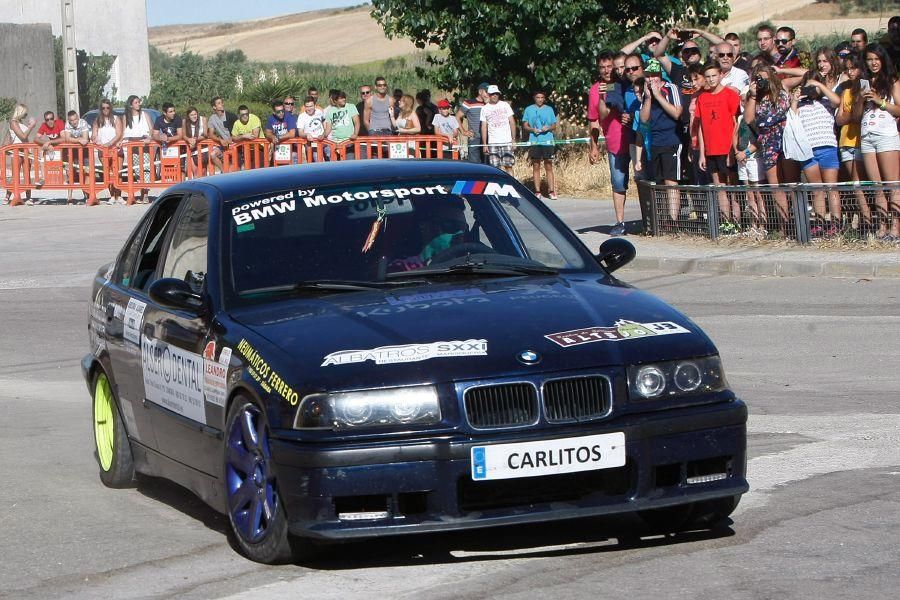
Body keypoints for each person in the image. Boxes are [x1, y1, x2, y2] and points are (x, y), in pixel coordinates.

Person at [791, 71, 842, 236]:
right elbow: (792, 117)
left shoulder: (827, 101)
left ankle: (836, 223)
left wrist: (820, 85)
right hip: (808, 151)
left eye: (815, 85)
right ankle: (819, 223)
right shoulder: (801, 105)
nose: (812, 89)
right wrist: (795, 99)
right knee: (817, 190)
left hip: (827, 147)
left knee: (831, 187)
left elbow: (837, 101)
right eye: (809, 86)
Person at [859, 44, 900, 239]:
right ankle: (882, 226)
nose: (873, 63)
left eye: (877, 59)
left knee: (891, 184)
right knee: (876, 186)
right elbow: (856, 115)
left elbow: (899, 109)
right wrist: (860, 100)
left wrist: (879, 100)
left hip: (886, 135)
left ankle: (895, 226)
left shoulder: (892, 81)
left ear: (883, 60)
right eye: (869, 59)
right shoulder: (864, 82)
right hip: (867, 135)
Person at [589, 50, 632, 234]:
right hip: (614, 141)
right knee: (618, 182)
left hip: (635, 137)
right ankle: (620, 222)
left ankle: (650, 220)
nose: (607, 71)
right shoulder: (595, 89)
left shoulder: (624, 82)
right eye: (602, 67)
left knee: (644, 179)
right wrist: (593, 146)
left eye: (609, 66)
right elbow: (596, 118)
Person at [744, 65, 792, 232]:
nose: (762, 82)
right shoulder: (756, 98)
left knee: (791, 184)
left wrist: (779, 71)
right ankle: (783, 227)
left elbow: (805, 74)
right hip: (768, 143)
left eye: (764, 78)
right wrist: (753, 95)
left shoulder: (782, 89)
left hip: (786, 139)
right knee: (775, 186)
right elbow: (749, 119)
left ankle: (798, 224)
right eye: (758, 79)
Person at [696, 63, 742, 228]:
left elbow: (736, 123)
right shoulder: (703, 97)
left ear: (721, 75)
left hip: (727, 147)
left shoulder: (730, 95)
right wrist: (702, 153)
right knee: (719, 186)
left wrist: (733, 148)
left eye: (714, 75)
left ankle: (737, 223)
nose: (711, 79)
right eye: (708, 76)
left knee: (732, 187)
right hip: (711, 149)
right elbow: (701, 127)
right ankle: (726, 223)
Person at [639, 59, 684, 221]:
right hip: (656, 141)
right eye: (647, 76)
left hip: (672, 140)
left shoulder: (671, 89)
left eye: (654, 75)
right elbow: (644, 119)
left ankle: (674, 220)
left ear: (660, 75)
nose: (651, 79)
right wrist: (650, 98)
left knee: (671, 181)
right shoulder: (647, 94)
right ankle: (664, 220)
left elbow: (677, 113)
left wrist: (659, 95)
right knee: (659, 183)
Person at [835, 53, 869, 229]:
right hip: (846, 141)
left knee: (867, 182)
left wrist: (850, 113)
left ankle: (872, 219)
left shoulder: (866, 87)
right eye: (847, 68)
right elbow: (840, 119)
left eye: (853, 67)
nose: (850, 72)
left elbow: (857, 116)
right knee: (856, 184)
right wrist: (851, 113)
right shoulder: (846, 90)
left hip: (863, 140)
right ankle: (867, 220)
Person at [522, 90, 558, 200]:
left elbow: (554, 125)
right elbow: (525, 125)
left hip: (547, 140)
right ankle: (537, 191)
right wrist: (532, 129)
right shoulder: (528, 109)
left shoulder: (549, 109)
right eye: (538, 97)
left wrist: (548, 128)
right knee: (536, 165)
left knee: (548, 164)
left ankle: (551, 191)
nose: (540, 99)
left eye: (542, 97)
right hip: (535, 140)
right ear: (534, 98)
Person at [121, 95, 154, 204]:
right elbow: (122, 132)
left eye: (138, 102)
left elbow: (152, 130)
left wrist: (149, 138)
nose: (138, 104)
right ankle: (140, 191)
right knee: (136, 169)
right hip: (132, 145)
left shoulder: (145, 115)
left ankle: (145, 194)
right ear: (131, 105)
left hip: (144, 144)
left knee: (146, 168)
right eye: (136, 102)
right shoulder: (126, 116)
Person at [91, 98, 123, 205]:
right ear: (101, 109)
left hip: (116, 149)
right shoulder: (97, 120)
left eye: (107, 107)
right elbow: (94, 135)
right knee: (108, 174)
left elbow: (119, 134)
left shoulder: (116, 119)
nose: (105, 109)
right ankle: (112, 195)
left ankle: (118, 195)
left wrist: (109, 144)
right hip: (103, 151)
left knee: (117, 172)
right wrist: (96, 140)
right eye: (103, 108)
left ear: (110, 108)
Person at [5, 103, 37, 206]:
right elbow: (23, 136)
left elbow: (25, 138)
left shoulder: (21, 122)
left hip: (26, 151)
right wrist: (31, 127)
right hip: (17, 151)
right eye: (25, 113)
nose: (26, 115)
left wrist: (28, 126)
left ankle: (28, 197)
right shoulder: (13, 122)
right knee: (15, 175)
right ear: (20, 112)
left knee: (27, 174)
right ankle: (8, 196)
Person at [480, 85, 517, 174]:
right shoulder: (485, 108)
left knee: (508, 166)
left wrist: (513, 139)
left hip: (507, 141)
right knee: (495, 168)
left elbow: (512, 122)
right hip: (493, 142)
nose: (495, 95)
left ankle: (511, 185)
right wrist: (485, 144)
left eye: (496, 93)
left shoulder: (505, 105)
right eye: (492, 94)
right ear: (489, 95)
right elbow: (484, 127)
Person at [63, 109, 91, 204]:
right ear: (69, 120)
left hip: (85, 151)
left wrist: (76, 140)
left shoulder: (83, 123)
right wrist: (79, 140)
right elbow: (67, 139)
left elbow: (86, 139)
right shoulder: (67, 124)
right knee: (70, 173)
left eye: (75, 119)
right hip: (72, 151)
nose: (74, 122)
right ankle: (69, 197)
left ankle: (87, 195)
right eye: (71, 120)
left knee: (85, 173)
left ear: (78, 118)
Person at [457, 82, 489, 163]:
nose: (488, 94)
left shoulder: (490, 104)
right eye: (486, 91)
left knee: (488, 165)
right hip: (474, 138)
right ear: (480, 92)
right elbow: (457, 116)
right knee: (474, 164)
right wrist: (463, 131)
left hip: (489, 138)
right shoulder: (469, 103)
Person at [325, 90, 359, 159]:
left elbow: (357, 122)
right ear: (335, 100)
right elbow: (328, 128)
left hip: (349, 141)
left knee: (349, 163)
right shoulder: (330, 111)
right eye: (341, 98)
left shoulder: (351, 107)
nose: (344, 99)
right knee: (336, 166)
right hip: (335, 143)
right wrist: (322, 135)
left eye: (344, 97)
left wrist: (355, 134)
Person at [206, 96, 236, 172]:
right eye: (219, 103)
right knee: (212, 155)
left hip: (235, 145)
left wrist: (231, 139)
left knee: (233, 170)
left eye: (222, 102)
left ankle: (228, 173)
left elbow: (239, 131)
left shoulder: (231, 116)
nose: (222, 104)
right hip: (223, 145)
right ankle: (224, 172)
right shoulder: (212, 118)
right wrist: (220, 140)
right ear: (214, 107)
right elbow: (211, 134)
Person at [182, 106, 208, 175]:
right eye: (192, 115)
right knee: (195, 171)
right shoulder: (184, 121)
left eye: (195, 114)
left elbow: (205, 134)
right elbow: (183, 135)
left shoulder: (203, 119)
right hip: (191, 148)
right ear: (188, 116)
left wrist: (195, 139)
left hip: (202, 147)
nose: (194, 116)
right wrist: (189, 139)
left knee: (203, 171)